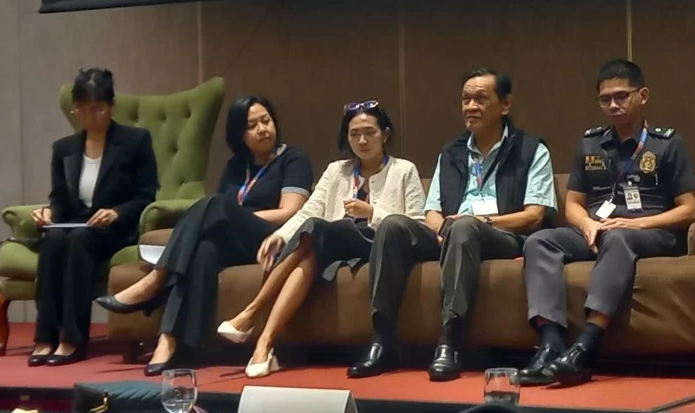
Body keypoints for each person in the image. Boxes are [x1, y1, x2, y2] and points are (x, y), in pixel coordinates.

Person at [348, 69, 557, 381]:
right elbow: (431, 210)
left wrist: (478, 221)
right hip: (452, 233)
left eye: (480, 99)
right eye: (465, 99)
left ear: (505, 105)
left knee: (464, 227)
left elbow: (535, 215)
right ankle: (382, 341)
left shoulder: (530, 150)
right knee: (392, 225)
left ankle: (450, 343)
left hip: (504, 235)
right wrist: (439, 226)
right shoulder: (451, 152)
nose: (470, 106)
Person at [95, 96, 311, 375]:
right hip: (237, 240)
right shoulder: (236, 165)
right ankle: (173, 340)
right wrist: (230, 217)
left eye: (266, 121)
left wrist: (235, 216)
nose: (262, 129)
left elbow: (289, 211)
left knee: (215, 204)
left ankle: (156, 279)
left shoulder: (293, 158)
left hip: (273, 237)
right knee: (204, 249)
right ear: (239, 134)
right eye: (252, 125)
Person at [519, 60, 695, 387]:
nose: (613, 105)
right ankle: (549, 344)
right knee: (539, 241)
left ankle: (586, 346)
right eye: (606, 99)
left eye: (622, 96)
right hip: (600, 232)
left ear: (642, 95)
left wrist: (637, 226)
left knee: (618, 237)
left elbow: (689, 210)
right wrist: (587, 224)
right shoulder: (590, 143)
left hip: (651, 233)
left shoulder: (667, 143)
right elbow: (572, 203)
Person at [215, 101, 426, 378]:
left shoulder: (404, 170)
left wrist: (373, 212)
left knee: (317, 229)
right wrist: (280, 235)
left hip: (375, 245)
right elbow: (310, 210)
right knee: (311, 248)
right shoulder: (336, 170)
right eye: (354, 134)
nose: (362, 140)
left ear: (385, 135)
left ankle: (250, 313)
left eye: (369, 132)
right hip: (331, 242)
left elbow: (417, 226)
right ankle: (264, 345)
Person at [29, 69, 158, 367]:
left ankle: (73, 338)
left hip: (113, 229)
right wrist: (48, 213)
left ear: (110, 106)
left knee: (78, 238)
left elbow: (146, 195)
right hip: (75, 224)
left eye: (96, 109)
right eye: (82, 110)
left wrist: (117, 212)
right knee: (54, 238)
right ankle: (45, 336)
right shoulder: (64, 149)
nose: (89, 116)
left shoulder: (135, 141)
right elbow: (59, 198)